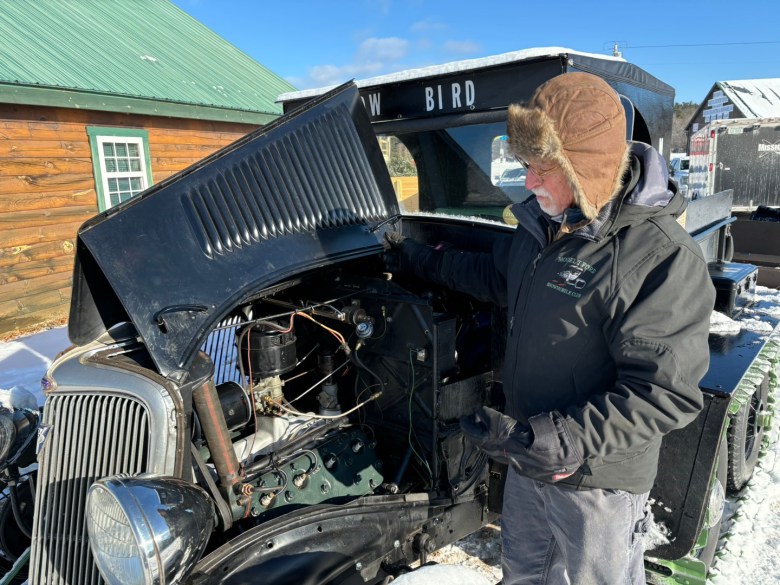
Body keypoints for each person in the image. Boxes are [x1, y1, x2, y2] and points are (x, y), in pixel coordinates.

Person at [385, 72, 715, 584]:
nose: (529, 182)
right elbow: (491, 275)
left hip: (597, 481)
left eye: (542, 168)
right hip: (529, 455)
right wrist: (412, 258)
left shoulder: (659, 257)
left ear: (589, 169)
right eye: (526, 166)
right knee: (523, 574)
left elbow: (665, 391)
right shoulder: (541, 230)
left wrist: (570, 437)